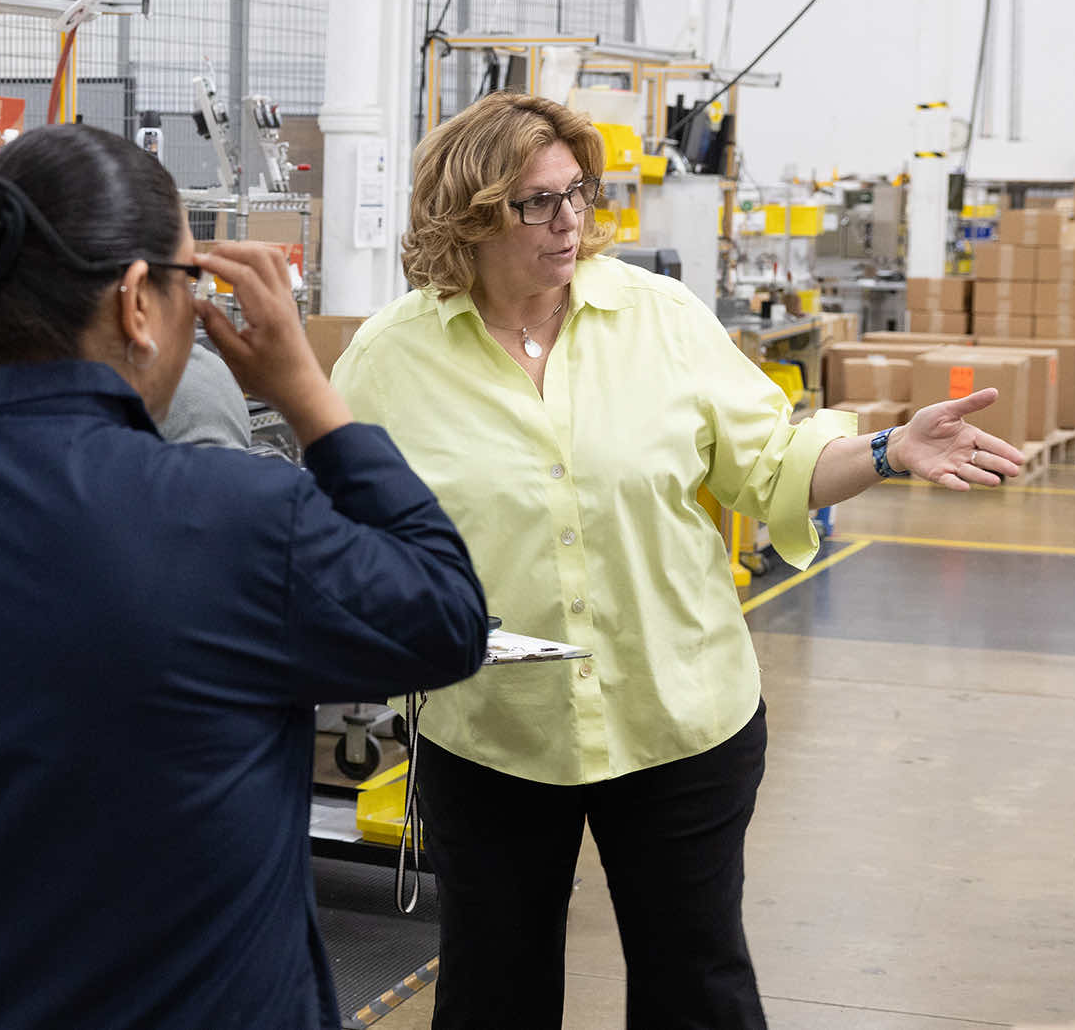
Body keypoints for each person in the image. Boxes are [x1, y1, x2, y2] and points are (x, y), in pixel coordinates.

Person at [0, 124, 491, 1029]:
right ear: (136, 300)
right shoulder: (241, 520)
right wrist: (310, 396)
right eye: (185, 289)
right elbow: (448, 616)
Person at [330, 92, 1026, 1029]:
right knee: (494, 991)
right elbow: (347, 530)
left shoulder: (659, 319)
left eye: (578, 193)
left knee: (696, 987)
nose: (568, 221)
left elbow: (771, 463)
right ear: (469, 213)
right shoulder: (390, 359)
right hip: (492, 731)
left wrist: (889, 449)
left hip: (678, 717)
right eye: (536, 203)